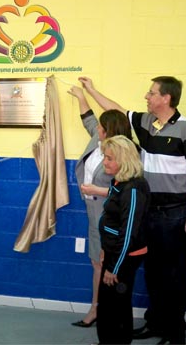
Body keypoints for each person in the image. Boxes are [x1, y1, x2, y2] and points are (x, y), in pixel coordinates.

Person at [78, 76, 186, 344]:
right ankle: (156, 324)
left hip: (175, 213)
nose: (146, 96)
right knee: (154, 273)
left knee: (173, 275)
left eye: (151, 93)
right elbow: (118, 110)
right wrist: (91, 90)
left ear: (166, 98)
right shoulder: (147, 123)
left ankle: (175, 333)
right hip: (149, 212)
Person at [67, 86, 134, 327]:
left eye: (102, 127)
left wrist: (97, 191)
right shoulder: (98, 140)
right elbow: (89, 120)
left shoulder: (123, 154)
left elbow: (129, 192)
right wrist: (82, 96)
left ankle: (100, 311)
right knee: (97, 262)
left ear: (111, 132)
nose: (97, 129)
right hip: (93, 212)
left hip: (109, 215)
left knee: (104, 264)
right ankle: (99, 310)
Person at [96, 135, 151, 344]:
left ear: (124, 159)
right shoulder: (119, 182)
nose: (105, 162)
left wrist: (114, 268)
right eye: (105, 157)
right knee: (108, 304)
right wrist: (104, 248)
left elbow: (128, 233)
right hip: (113, 253)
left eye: (110, 158)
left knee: (116, 305)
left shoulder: (133, 189)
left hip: (124, 257)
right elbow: (110, 220)